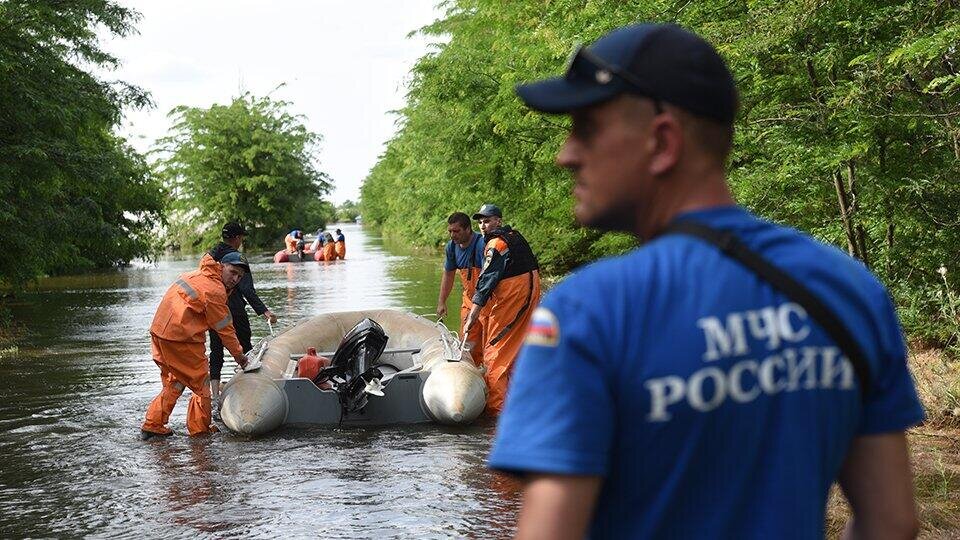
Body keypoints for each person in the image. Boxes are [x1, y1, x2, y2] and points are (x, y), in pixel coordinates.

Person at [487, 23, 924, 539]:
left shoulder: (589, 311)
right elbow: (891, 522)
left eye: (586, 129)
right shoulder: (849, 287)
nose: (567, 154)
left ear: (663, 141)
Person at [141, 251, 252, 440]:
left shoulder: (195, 275)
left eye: (239, 277)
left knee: (175, 381)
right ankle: (200, 432)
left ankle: (153, 424)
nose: (235, 279)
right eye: (233, 272)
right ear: (222, 266)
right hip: (181, 339)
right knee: (202, 385)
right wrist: (240, 357)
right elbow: (225, 330)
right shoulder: (215, 290)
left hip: (159, 333)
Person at [463, 203, 541, 414]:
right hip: (529, 297)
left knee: (494, 355)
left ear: (498, 220)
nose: (482, 225)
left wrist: (473, 314)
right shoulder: (515, 236)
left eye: (487, 221)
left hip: (514, 298)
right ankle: (522, 407)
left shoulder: (496, 244)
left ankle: (495, 417)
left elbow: (487, 279)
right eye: (479, 222)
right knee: (515, 354)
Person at [207, 222, 277, 408]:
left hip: (213, 307)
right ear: (237, 238)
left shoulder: (211, 255)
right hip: (234, 308)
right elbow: (247, 289)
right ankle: (249, 387)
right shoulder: (238, 260)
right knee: (245, 347)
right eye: (241, 238)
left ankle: (214, 395)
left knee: (216, 350)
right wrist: (264, 311)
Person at [437, 212, 486, 365]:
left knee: (490, 342)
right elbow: (449, 275)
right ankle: (471, 371)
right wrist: (442, 302)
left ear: (468, 229)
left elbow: (491, 277)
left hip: (488, 300)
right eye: (450, 231)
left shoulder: (481, 244)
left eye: (456, 231)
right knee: (467, 341)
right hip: (469, 300)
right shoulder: (451, 247)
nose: (452, 235)